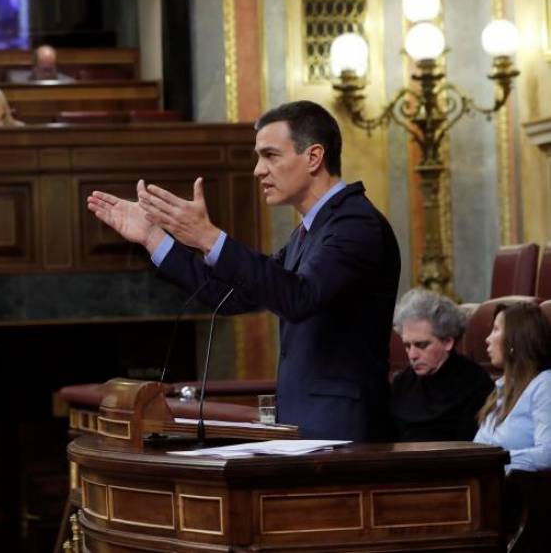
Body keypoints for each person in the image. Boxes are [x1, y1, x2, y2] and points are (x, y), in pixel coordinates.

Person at [87, 100, 401, 441]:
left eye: (270, 155)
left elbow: (299, 297)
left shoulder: (355, 222)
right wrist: (153, 238)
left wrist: (209, 236)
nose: (258, 170)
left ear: (313, 157)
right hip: (308, 431)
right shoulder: (310, 232)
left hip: (345, 434)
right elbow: (229, 296)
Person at [390, 289, 493, 441]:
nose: (412, 355)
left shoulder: (475, 384)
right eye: (407, 345)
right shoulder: (401, 383)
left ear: (447, 342)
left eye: (421, 345)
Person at [474, 303, 551, 472]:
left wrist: (494, 460)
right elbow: (477, 450)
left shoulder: (544, 385)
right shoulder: (500, 389)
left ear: (514, 339)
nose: (487, 339)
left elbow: (548, 454)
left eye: (495, 330)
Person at [8, 44, 74, 83]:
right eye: (45, 70)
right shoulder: (17, 83)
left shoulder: (68, 83)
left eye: (51, 70)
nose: (48, 75)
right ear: (34, 66)